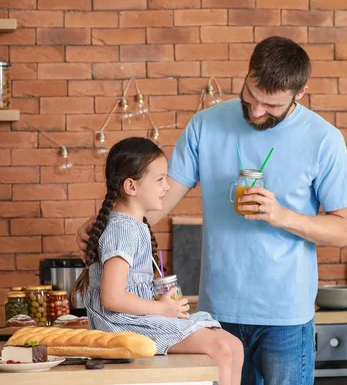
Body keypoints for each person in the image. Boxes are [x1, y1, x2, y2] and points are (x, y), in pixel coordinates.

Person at [77, 37, 347, 385]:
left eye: (270, 106)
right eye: (250, 96)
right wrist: (108, 227)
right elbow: (156, 204)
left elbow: (344, 231)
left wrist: (280, 214)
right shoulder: (205, 125)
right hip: (217, 311)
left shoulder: (324, 139)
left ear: (299, 94)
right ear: (247, 73)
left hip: (285, 315)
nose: (256, 111)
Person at [73, 137, 243, 385]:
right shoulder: (123, 229)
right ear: (131, 186)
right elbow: (113, 297)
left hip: (134, 319)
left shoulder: (134, 225)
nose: (167, 187)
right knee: (224, 348)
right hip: (121, 325)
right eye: (160, 179)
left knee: (233, 346)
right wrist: (162, 309)